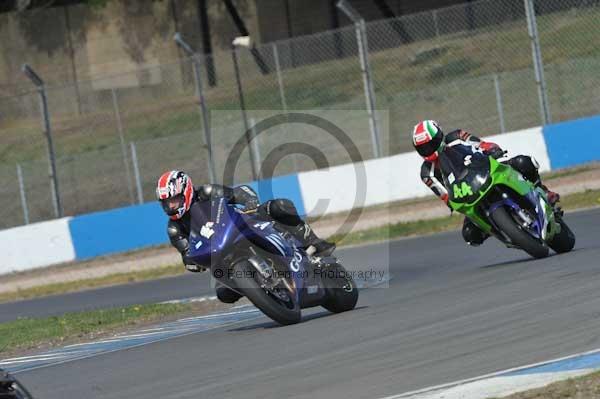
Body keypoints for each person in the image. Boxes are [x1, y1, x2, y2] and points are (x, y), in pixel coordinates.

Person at [156, 170, 335, 303]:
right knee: (223, 294)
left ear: (186, 192)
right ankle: (259, 289)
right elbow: (187, 254)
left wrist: (250, 204)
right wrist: (192, 263)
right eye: (166, 203)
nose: (171, 206)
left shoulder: (207, 193)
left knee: (278, 206)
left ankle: (313, 241)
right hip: (220, 256)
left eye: (174, 200)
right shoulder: (175, 229)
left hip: (242, 226)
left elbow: (239, 194)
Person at [412, 120, 560, 246]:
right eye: (422, 148)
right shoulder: (427, 173)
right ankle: (496, 227)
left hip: (486, 170)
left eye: (430, 144)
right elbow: (444, 196)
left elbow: (482, 144)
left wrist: (493, 150)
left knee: (523, 162)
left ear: (439, 136)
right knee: (470, 234)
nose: (427, 149)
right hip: (467, 196)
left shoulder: (457, 137)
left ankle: (543, 191)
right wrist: (452, 202)